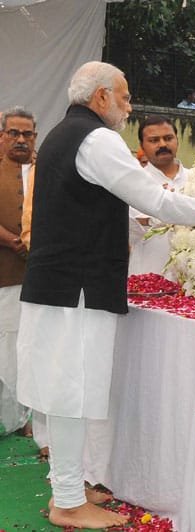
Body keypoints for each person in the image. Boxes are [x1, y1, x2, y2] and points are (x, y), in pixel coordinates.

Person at [16, 61, 195, 529]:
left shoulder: (62, 134)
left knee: (64, 391)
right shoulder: (96, 140)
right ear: (100, 98)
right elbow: (158, 200)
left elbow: (102, 209)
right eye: (125, 97)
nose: (130, 107)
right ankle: (69, 502)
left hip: (60, 285)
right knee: (70, 392)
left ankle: (70, 487)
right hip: (74, 288)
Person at [0, 107, 36, 439]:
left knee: (33, 346)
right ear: (2, 135)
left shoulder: (46, 169)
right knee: (7, 345)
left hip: (41, 277)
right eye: (14, 133)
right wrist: (13, 240)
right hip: (5, 274)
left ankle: (29, 418)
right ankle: (11, 417)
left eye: (28, 134)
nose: (22, 140)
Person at [129, 115, 189, 275]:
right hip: (148, 279)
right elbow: (133, 225)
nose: (162, 144)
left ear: (177, 139)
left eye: (168, 138)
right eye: (154, 140)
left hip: (194, 281)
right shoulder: (132, 183)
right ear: (142, 145)